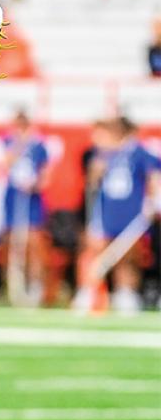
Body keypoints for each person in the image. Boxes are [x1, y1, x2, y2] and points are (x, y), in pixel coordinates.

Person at [77, 117, 161, 312]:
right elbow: (92, 182)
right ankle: (89, 291)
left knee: (128, 257)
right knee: (96, 253)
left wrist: (152, 202)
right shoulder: (102, 155)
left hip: (130, 214)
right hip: (106, 213)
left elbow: (153, 177)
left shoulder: (141, 153)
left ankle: (127, 293)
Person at [1, 112, 50, 303]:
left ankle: (36, 287)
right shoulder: (9, 143)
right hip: (13, 199)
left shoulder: (38, 146)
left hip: (31, 200)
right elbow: (6, 163)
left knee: (34, 243)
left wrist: (35, 183)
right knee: (10, 242)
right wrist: (18, 146)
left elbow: (45, 175)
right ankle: (13, 287)